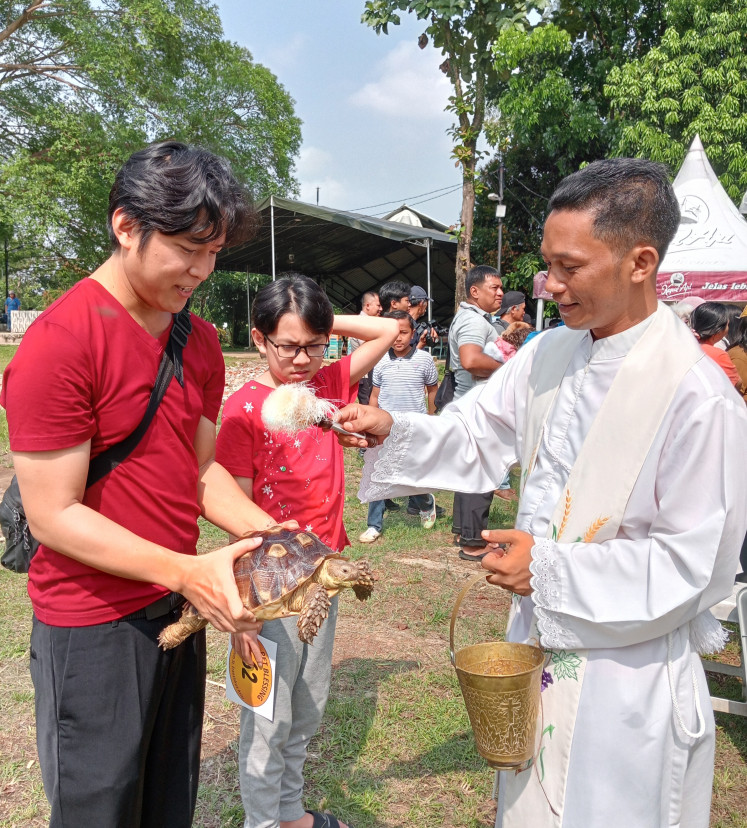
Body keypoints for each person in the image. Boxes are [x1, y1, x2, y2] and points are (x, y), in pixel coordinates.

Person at [335, 158, 747, 828]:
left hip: (626, 680)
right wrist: (393, 428)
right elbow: (475, 432)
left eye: (570, 266)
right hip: (537, 648)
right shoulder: (548, 353)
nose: (550, 285)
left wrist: (549, 568)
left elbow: (691, 565)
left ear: (640, 261)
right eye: (547, 265)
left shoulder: (699, 400)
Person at [0, 141, 280, 827]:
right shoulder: (61, 343)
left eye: (213, 253)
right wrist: (186, 571)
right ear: (126, 226)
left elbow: (200, 470)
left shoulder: (201, 343)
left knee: (166, 804)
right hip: (91, 624)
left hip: (177, 616)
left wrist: (263, 530)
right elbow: (52, 514)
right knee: (99, 809)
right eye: (188, 248)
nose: (201, 270)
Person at [215, 275, 398, 828]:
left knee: (308, 705)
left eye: (313, 345)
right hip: (272, 591)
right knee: (267, 715)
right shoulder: (244, 411)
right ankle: (262, 822)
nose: (301, 360)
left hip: (324, 579)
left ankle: (291, 813)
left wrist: (319, 321)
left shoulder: (327, 388)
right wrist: (241, 613)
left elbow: (387, 329)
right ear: (259, 337)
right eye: (286, 345)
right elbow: (234, 514)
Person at [358, 310, 439, 542]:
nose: (398, 338)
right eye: (394, 333)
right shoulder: (380, 361)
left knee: (410, 474)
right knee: (378, 472)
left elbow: (432, 390)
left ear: (413, 333)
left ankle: (426, 502)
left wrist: (431, 418)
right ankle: (374, 524)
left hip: (414, 425)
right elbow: (375, 395)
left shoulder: (424, 360)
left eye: (403, 332)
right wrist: (370, 423)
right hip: (384, 427)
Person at [446, 264, 505, 561]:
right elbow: (470, 360)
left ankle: (463, 529)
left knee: (470, 470)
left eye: (500, 287)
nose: (500, 293)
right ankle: (472, 542)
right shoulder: (474, 322)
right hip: (476, 407)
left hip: (470, 405)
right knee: (480, 474)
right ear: (474, 291)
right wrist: (510, 368)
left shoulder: (477, 319)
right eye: (494, 287)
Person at [690, 301, 741, 388]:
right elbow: (736, 383)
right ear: (719, 329)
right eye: (727, 324)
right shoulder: (718, 355)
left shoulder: (681, 346)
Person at [347, 289, 382, 406]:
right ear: (367, 305)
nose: (381, 309)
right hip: (365, 374)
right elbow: (369, 347)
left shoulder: (369, 322)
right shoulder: (362, 323)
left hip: (367, 372)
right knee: (368, 404)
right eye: (378, 305)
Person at [408, 285, 438, 349]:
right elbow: (407, 356)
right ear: (421, 303)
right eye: (426, 302)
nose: (426, 307)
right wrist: (422, 344)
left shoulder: (404, 321)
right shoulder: (409, 325)